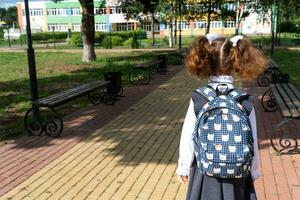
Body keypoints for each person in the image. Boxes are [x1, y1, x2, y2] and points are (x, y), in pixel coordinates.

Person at [176, 34, 267, 200]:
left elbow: (188, 135)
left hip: (206, 172)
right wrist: (254, 171)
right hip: (238, 174)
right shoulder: (244, 99)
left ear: (207, 62)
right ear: (234, 63)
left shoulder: (199, 97)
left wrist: (183, 166)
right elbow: (252, 138)